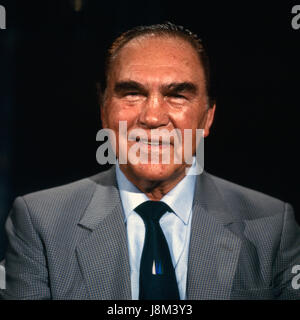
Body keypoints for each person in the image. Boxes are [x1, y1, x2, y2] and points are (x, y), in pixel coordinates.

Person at [1, 22, 300, 300]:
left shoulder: (272, 224)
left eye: (178, 95)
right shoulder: (40, 223)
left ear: (208, 116)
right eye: (132, 93)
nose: (153, 117)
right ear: (104, 111)